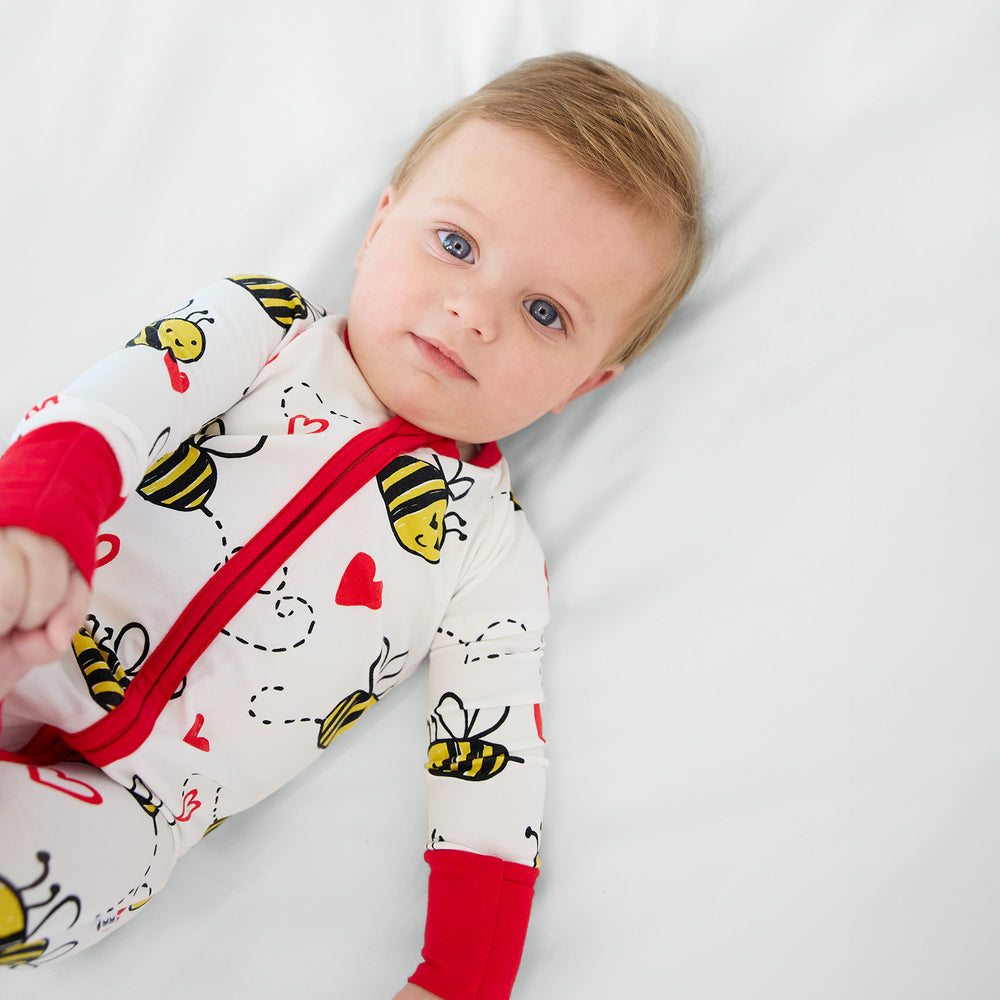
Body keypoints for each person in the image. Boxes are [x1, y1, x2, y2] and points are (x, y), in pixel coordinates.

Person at [0, 52, 704, 999]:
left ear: (586, 383)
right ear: (381, 223)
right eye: (456, 245)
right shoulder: (260, 329)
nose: (473, 311)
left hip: (130, 810)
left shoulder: (491, 556)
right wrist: (32, 537)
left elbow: (491, 763)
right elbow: (104, 419)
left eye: (545, 313)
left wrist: (462, 980)